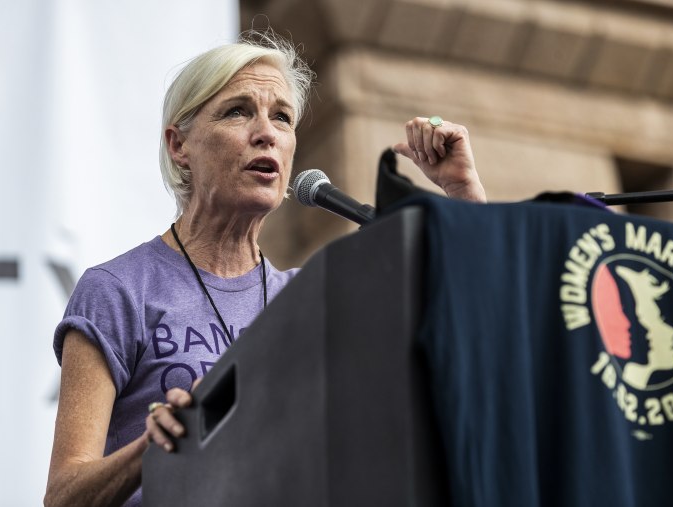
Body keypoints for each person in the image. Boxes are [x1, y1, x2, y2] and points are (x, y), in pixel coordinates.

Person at [44, 30, 487, 507]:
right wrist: (151, 449)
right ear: (179, 146)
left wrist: (464, 195)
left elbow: (458, 338)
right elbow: (64, 495)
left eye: (282, 118)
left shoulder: (309, 300)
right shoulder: (119, 290)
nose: (267, 133)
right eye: (238, 111)